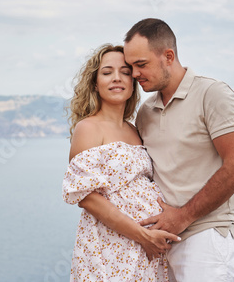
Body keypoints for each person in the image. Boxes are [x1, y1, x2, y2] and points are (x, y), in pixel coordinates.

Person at [79, 18, 234, 282]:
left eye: (141, 65)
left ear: (168, 56)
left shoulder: (213, 94)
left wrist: (183, 217)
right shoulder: (146, 113)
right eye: (132, 67)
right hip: (160, 242)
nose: (134, 74)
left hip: (205, 234)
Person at [62, 44, 180, 281]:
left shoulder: (134, 129)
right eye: (107, 72)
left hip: (147, 248)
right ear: (95, 83)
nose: (117, 78)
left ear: (134, 81)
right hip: (111, 246)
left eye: (125, 72)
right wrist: (142, 236)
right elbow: (87, 198)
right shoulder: (89, 128)